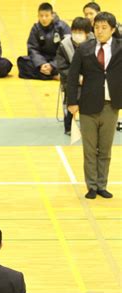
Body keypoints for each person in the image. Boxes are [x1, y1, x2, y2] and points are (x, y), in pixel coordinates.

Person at [67, 12, 121, 200]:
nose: (100, 31)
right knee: (90, 149)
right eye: (97, 27)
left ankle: (102, 184)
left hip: (111, 105)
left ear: (113, 30)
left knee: (105, 149)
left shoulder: (120, 48)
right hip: (88, 105)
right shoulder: (84, 49)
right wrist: (72, 102)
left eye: (104, 27)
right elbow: (72, 77)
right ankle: (91, 186)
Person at [56, 17, 92, 135]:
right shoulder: (63, 46)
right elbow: (62, 68)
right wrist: (77, 78)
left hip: (91, 80)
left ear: (87, 33)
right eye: (74, 32)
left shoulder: (95, 43)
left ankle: (90, 125)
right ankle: (69, 126)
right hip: (70, 81)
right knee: (75, 94)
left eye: (80, 32)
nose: (77, 35)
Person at [17, 2, 71, 80]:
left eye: (46, 16)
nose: (44, 19)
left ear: (52, 15)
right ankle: (53, 76)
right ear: (38, 16)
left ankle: (48, 73)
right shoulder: (35, 28)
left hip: (58, 59)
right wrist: (41, 64)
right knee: (22, 63)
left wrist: (52, 65)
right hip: (43, 59)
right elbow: (32, 49)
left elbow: (66, 49)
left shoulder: (62, 27)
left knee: (70, 64)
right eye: (41, 16)